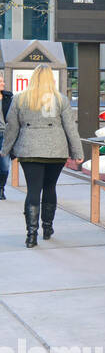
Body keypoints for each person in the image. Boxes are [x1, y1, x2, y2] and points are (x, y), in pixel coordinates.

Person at [0, 65, 82, 247]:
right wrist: (77, 152)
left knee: (33, 190)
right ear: (50, 79)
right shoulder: (61, 99)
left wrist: (5, 149)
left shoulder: (20, 99)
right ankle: (47, 228)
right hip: (56, 151)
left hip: (29, 150)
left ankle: (31, 235)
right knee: (50, 187)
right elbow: (70, 128)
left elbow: (12, 127)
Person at [0, 76, 12, 200]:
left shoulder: (8, 97)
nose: (3, 83)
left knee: (4, 165)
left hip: (5, 134)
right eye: (0, 82)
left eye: (3, 81)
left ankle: (1, 188)